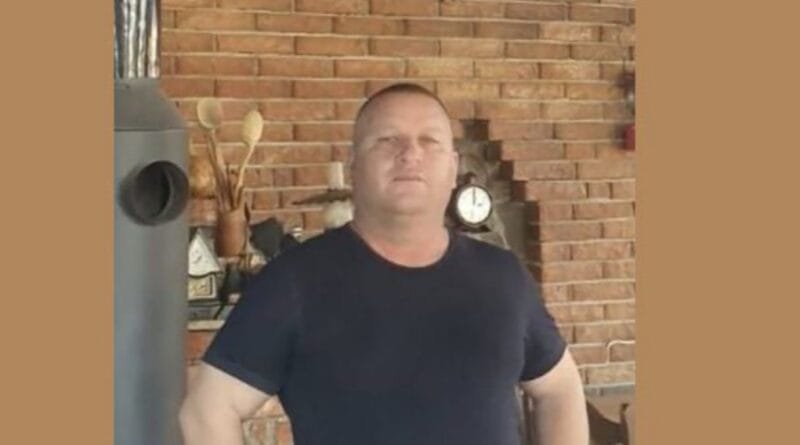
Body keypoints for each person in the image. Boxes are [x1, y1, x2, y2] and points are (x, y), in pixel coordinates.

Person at [179, 83, 589, 445]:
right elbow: (206, 411)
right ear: (354, 168)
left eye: (429, 140)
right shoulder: (295, 282)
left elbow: (560, 389)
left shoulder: (502, 276)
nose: (410, 154)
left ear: (453, 169)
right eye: (387, 140)